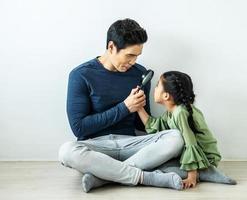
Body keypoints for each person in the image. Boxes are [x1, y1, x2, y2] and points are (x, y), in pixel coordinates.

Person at [58, 19, 185, 192]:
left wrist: (141, 107)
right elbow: (79, 128)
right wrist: (125, 107)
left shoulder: (139, 74)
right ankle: (144, 177)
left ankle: (103, 178)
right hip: (97, 148)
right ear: (111, 47)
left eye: (137, 56)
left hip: (131, 145)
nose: (133, 61)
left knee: (176, 137)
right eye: (130, 55)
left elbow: (143, 126)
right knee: (66, 151)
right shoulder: (81, 75)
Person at [136, 71, 237, 189]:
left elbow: (191, 143)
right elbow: (155, 126)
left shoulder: (180, 113)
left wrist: (192, 176)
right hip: (191, 158)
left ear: (166, 96)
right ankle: (202, 172)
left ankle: (205, 172)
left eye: (158, 85)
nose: (155, 87)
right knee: (156, 166)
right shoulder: (171, 112)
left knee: (162, 170)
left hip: (205, 158)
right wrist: (139, 108)